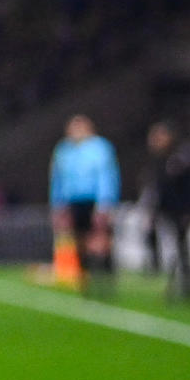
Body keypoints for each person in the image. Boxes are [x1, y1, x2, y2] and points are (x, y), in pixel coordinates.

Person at [49, 114, 119, 295]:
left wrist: (105, 203)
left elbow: (107, 176)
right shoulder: (64, 150)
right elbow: (57, 179)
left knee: (100, 241)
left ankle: (106, 280)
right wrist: (58, 204)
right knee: (79, 241)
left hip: (94, 201)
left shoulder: (100, 148)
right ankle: (84, 280)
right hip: (73, 201)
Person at [143, 121, 190, 306]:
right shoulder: (162, 160)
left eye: (159, 136)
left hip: (181, 211)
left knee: (182, 249)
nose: (154, 141)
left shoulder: (182, 157)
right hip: (167, 211)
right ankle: (181, 284)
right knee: (174, 249)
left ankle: (187, 285)